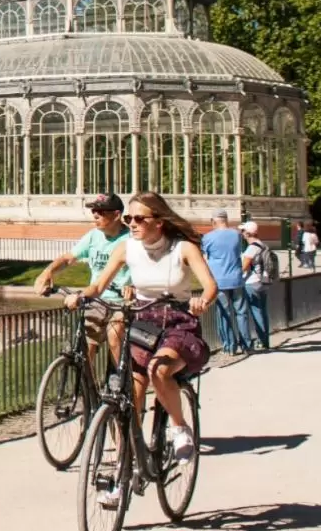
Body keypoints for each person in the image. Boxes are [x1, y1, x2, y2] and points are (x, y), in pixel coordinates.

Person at [64, 192, 218, 487]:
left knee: (159, 370)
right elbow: (99, 284)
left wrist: (202, 301)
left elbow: (210, 286)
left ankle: (179, 427)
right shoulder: (125, 248)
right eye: (128, 218)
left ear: (159, 222)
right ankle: (125, 463)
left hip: (177, 322)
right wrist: (80, 295)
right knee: (127, 394)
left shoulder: (183, 249)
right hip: (143, 321)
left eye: (139, 218)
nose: (131, 224)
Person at [33, 193, 131, 366]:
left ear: (117, 214)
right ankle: (88, 390)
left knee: (115, 335)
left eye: (101, 211)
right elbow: (68, 258)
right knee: (86, 349)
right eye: (94, 210)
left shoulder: (131, 239)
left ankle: (117, 384)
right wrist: (47, 272)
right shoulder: (93, 236)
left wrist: (133, 286)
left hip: (121, 302)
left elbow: (145, 268)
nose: (95, 215)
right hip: (95, 300)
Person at [201, 209, 249, 356]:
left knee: (224, 313)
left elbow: (204, 259)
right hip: (236, 278)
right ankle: (247, 345)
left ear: (214, 221)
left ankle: (229, 346)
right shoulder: (236, 235)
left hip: (219, 280)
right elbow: (240, 253)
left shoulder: (208, 237)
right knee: (241, 313)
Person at [239, 221, 271, 350]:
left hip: (252, 282)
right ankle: (265, 340)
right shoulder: (262, 245)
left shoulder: (251, 248)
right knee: (262, 311)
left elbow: (244, 266)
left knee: (256, 312)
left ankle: (262, 341)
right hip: (263, 281)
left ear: (247, 233)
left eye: (243, 232)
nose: (241, 234)